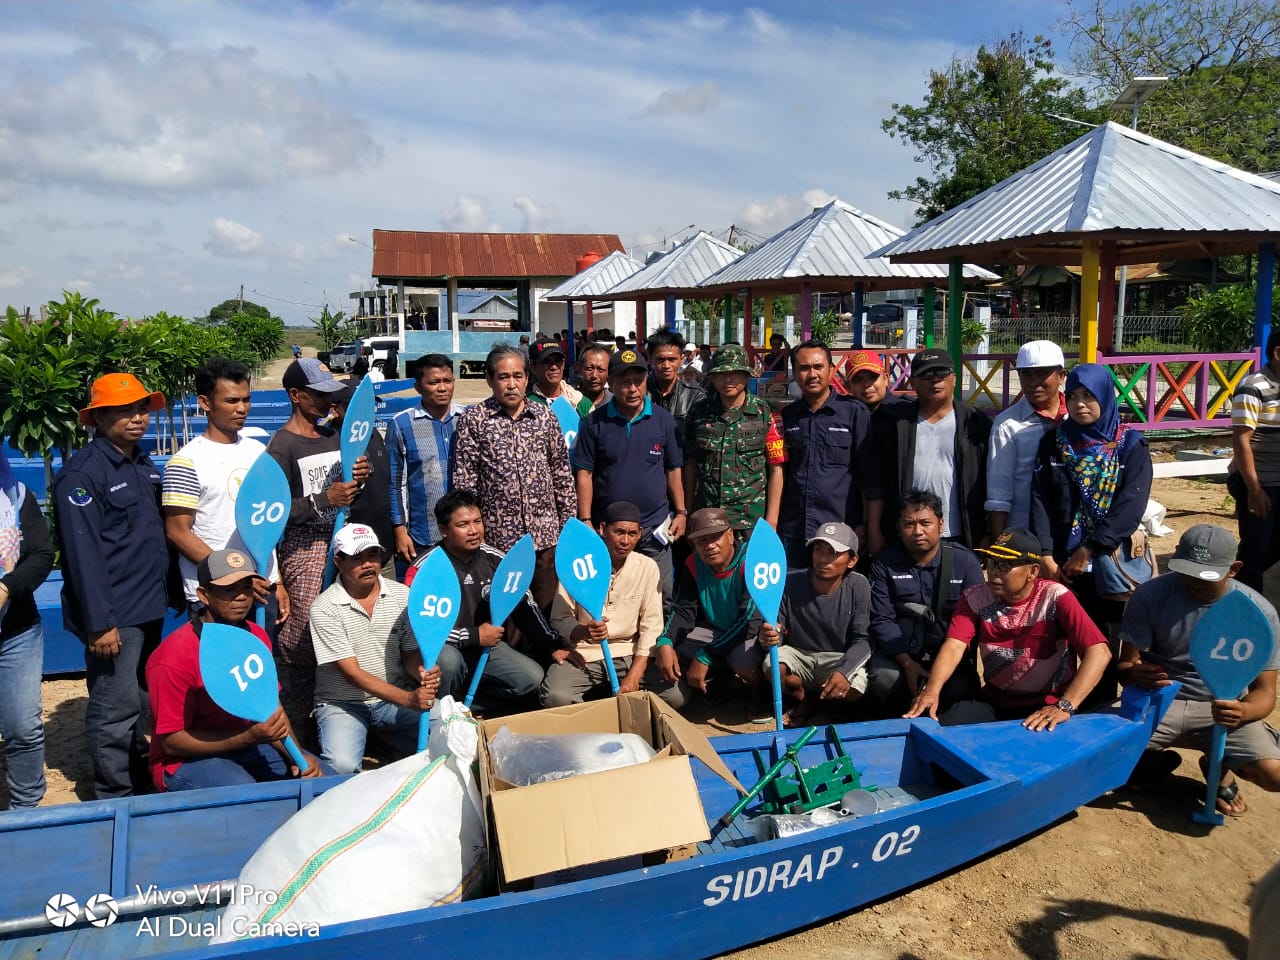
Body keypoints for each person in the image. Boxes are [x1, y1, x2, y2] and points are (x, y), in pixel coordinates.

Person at [53, 373, 169, 799]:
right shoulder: (82, 476)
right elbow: (83, 558)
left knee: (142, 702)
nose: (137, 418)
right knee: (114, 708)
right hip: (116, 615)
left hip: (149, 606)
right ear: (98, 417)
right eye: (125, 410)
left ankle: (139, 780)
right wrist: (101, 623)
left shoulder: (141, 463)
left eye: (141, 408)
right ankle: (113, 796)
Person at [1118, 524, 1280, 818]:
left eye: (1205, 576)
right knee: (1105, 759)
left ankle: (1220, 767)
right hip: (1163, 699)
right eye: (1186, 570)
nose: (1193, 582)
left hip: (1222, 707)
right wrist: (1135, 673)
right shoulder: (1150, 595)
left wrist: (1243, 712)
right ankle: (1150, 762)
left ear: (1233, 569)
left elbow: (1266, 693)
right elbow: (1125, 665)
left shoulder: (1257, 613)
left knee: (1274, 775)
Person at [146, 549, 323, 791]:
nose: (241, 596)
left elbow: (272, 709)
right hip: (185, 761)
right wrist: (247, 738)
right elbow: (171, 743)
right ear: (204, 595)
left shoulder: (257, 635)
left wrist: (296, 757)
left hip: (250, 743)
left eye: (246, 587)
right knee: (252, 801)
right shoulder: (171, 657)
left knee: (325, 783)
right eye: (229, 589)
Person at [1030, 361, 1153, 699]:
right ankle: (1060, 708)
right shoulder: (1054, 443)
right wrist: (1045, 555)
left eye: (1090, 396)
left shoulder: (1131, 447)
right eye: (1073, 396)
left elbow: (1131, 507)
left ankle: (1099, 710)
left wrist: (1088, 550)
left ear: (1106, 397)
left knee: (1104, 640)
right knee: (1060, 640)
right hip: (1061, 566)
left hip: (1106, 565)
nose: (1080, 404)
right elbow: (1039, 499)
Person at [905, 528, 1112, 728]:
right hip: (996, 702)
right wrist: (932, 690)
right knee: (942, 733)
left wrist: (1065, 705)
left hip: (1048, 703)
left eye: (1005, 565)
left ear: (1032, 571)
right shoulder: (975, 597)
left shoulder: (1056, 597)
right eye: (992, 563)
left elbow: (1099, 652)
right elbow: (954, 646)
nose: (994, 571)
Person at [266, 358, 370, 744]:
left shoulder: (333, 436)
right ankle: (301, 724)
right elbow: (275, 511)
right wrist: (323, 499)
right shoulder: (281, 447)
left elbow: (347, 488)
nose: (328, 402)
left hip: (342, 543)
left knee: (346, 624)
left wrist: (358, 476)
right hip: (305, 548)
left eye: (331, 394)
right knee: (304, 631)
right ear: (295, 396)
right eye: (318, 395)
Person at [163, 357, 288, 627]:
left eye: (246, 399)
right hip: (216, 595)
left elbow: (264, 522)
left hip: (262, 588)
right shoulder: (186, 461)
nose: (242, 408)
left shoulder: (257, 453)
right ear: (205, 403)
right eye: (231, 401)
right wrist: (235, 575)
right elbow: (177, 531)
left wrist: (275, 580)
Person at [452, 344, 577, 609]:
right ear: (489, 379)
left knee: (546, 608)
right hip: (499, 542)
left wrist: (568, 525)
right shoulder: (474, 420)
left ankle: (546, 652)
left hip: (545, 537)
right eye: (503, 377)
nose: (511, 384)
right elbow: (465, 484)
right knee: (509, 612)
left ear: (527, 378)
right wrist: (475, 531)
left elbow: (562, 474)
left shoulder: (544, 417)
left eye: (517, 376)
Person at [406, 490, 554, 712]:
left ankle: (466, 707)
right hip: (442, 649)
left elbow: (525, 606)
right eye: (463, 524)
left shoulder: (497, 561)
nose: (474, 530)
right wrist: (473, 635)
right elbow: (417, 626)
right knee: (448, 662)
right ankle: (437, 715)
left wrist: (552, 646)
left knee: (531, 679)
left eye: (478, 521)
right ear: (443, 530)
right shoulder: (425, 568)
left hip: (485, 649)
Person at [310, 524, 440, 775]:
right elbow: (353, 674)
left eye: (372, 555)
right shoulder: (324, 608)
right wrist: (409, 699)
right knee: (342, 767)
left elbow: (410, 653)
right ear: (338, 561)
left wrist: (422, 672)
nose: (368, 564)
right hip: (343, 703)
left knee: (446, 723)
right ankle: (384, 739)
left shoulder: (403, 595)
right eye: (357, 558)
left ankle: (391, 741)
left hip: (392, 697)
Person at [574, 347, 686, 607]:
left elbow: (673, 469)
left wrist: (681, 512)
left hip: (655, 527)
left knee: (662, 593)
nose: (633, 389)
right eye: (625, 382)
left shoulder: (663, 420)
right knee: (608, 593)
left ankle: (660, 644)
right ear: (611, 383)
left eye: (638, 381)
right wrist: (586, 519)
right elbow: (584, 473)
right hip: (608, 529)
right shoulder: (594, 423)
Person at [866, 489, 986, 716]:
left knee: (963, 690)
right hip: (901, 656)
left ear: (941, 525)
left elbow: (975, 622)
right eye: (909, 524)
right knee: (884, 679)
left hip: (949, 657)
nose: (917, 531)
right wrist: (907, 663)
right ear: (899, 528)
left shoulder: (965, 562)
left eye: (925, 523)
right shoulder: (884, 563)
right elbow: (881, 618)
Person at [865, 349, 991, 555]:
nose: (935, 380)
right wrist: (874, 531)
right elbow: (875, 481)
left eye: (942, 373)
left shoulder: (975, 422)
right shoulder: (895, 423)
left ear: (954, 378)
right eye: (926, 374)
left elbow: (990, 482)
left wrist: (988, 532)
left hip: (961, 536)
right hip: (906, 535)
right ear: (913, 382)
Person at [544, 502, 670, 706]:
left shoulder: (647, 567)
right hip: (585, 652)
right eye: (619, 532)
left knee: (675, 696)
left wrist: (635, 674)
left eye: (631, 534)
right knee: (556, 696)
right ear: (602, 530)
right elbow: (559, 619)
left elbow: (652, 625)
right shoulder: (579, 566)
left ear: (640, 534)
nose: (625, 541)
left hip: (629, 650)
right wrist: (583, 631)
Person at [759, 522, 871, 726]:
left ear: (852, 560)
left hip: (837, 657)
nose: (822, 559)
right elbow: (778, 631)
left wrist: (844, 671)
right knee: (774, 666)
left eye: (833, 552)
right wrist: (769, 636)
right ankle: (803, 700)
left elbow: (863, 640)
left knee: (855, 689)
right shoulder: (790, 581)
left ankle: (829, 703)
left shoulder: (859, 585)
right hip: (798, 653)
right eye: (818, 549)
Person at [654, 507, 763, 711]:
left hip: (753, 634)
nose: (710, 546)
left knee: (741, 660)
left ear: (730, 536)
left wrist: (706, 655)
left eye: (715, 537)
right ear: (693, 545)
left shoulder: (752, 560)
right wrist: (665, 640)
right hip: (716, 628)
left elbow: (749, 620)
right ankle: (718, 681)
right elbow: (683, 610)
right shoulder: (693, 563)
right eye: (701, 541)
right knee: (677, 649)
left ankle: (762, 694)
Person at [778, 341, 871, 565]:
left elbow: (869, 474)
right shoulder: (787, 417)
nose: (812, 374)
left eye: (818, 367)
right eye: (804, 368)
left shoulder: (854, 413)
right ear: (795, 372)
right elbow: (779, 470)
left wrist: (866, 524)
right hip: (795, 528)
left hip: (840, 528)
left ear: (831, 369)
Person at [0, 449, 55, 808]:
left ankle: (26, 812)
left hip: (15, 631)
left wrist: (5, 587)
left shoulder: (16, 495)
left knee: (22, 726)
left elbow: (40, 554)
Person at [684, 344, 786, 537]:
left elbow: (776, 468)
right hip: (708, 518)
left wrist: (772, 522)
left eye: (735, 373)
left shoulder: (766, 413)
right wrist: (688, 511)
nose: (728, 380)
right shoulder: (699, 412)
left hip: (750, 521)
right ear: (712, 377)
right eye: (721, 374)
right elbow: (690, 463)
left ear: (747, 376)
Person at [386, 354, 464, 567]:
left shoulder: (468, 419)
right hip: (424, 534)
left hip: (466, 533)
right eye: (434, 382)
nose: (442, 388)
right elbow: (395, 483)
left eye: (447, 381)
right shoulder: (402, 425)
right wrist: (400, 530)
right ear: (418, 387)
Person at [986, 341, 1067, 539]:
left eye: (1041, 373)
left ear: (1061, 376)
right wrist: (1002, 545)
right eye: (1026, 374)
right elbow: (999, 492)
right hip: (1026, 533)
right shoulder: (1007, 425)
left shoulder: (1077, 417)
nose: (1033, 382)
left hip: (1073, 531)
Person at [1227, 327, 1280, 592]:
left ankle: (1230, 584)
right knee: (1256, 549)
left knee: (1266, 548)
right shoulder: (1253, 387)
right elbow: (1241, 440)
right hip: (1258, 481)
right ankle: (1243, 608)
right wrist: (1254, 489)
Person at [647, 329, 705, 444]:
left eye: (672, 359)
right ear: (650, 359)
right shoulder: (639, 394)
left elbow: (699, 438)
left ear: (681, 359)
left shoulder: (695, 396)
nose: (666, 365)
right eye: (661, 359)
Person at [527, 340, 592, 417]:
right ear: (532, 367)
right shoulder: (524, 404)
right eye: (546, 361)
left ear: (564, 364)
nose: (554, 367)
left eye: (558, 361)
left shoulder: (580, 403)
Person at [842, 351, 909, 415]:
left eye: (872, 377)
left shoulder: (905, 411)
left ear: (885, 379)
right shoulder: (842, 415)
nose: (866, 384)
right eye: (858, 379)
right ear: (848, 387)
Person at [577, 343, 613, 411]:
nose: (594, 375)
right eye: (589, 368)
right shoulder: (570, 401)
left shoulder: (616, 404)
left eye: (601, 369)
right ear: (580, 369)